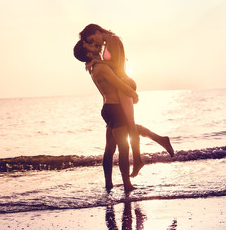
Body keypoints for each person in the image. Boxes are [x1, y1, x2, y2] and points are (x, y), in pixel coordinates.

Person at [78, 24, 174, 176]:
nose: (93, 43)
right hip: (120, 85)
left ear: (96, 31)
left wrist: (99, 62)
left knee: (130, 125)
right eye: (89, 42)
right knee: (128, 127)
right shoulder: (107, 43)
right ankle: (159, 141)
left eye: (91, 39)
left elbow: (116, 65)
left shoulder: (113, 40)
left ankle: (137, 160)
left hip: (124, 83)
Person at [74, 40, 138, 192]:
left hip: (107, 108)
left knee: (109, 149)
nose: (94, 44)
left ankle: (108, 184)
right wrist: (134, 95)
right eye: (90, 45)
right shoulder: (101, 67)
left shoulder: (94, 67)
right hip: (115, 109)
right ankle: (127, 184)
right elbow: (120, 85)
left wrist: (97, 59)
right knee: (124, 148)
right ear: (88, 53)